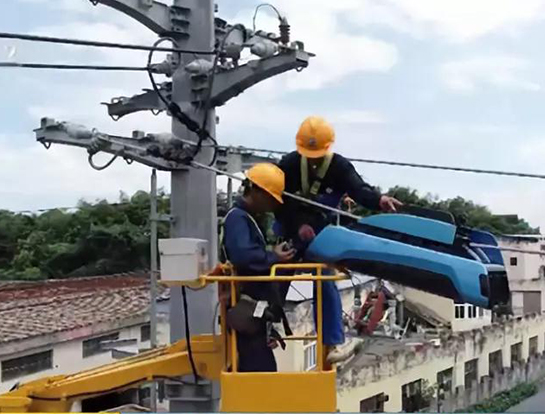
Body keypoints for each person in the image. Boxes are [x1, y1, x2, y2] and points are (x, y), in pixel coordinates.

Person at [275, 115, 403, 363]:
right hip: (291, 229)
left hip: (321, 234)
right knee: (277, 278)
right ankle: (264, 327)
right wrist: (298, 224)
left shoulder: (338, 167)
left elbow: (358, 188)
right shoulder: (289, 165)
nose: (313, 158)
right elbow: (278, 201)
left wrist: (379, 201)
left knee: (324, 280)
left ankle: (331, 341)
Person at [221, 162, 296, 372]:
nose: (273, 205)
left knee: (260, 365)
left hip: (252, 306)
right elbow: (243, 256)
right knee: (259, 368)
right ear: (257, 191)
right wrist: (273, 256)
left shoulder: (246, 219)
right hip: (245, 303)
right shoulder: (237, 218)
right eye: (271, 199)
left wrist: (273, 254)